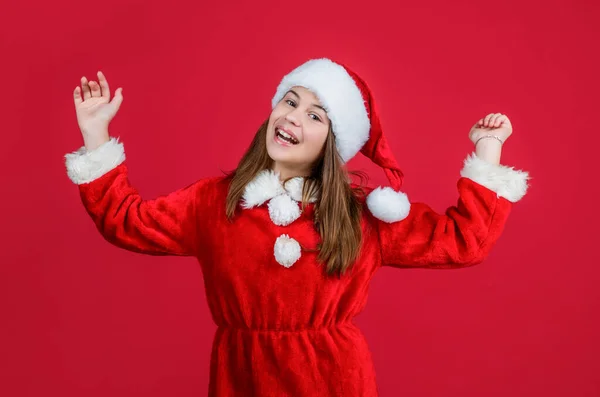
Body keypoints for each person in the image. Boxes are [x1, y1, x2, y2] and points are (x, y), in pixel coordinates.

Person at [64, 58, 530, 396]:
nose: (292, 116)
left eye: (314, 114)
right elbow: (126, 222)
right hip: (240, 378)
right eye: (290, 101)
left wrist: (488, 149)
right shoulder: (214, 202)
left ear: (334, 141)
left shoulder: (364, 215)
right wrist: (95, 133)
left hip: (337, 381)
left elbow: (463, 242)